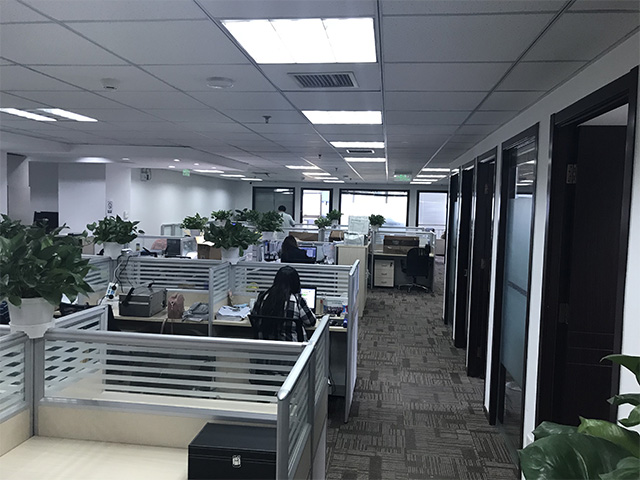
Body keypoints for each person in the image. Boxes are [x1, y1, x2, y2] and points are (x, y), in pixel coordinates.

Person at [250, 266, 316, 341]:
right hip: (292, 347)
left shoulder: (262, 297)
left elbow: (254, 317)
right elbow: (311, 321)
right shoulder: (297, 300)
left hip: (265, 346)